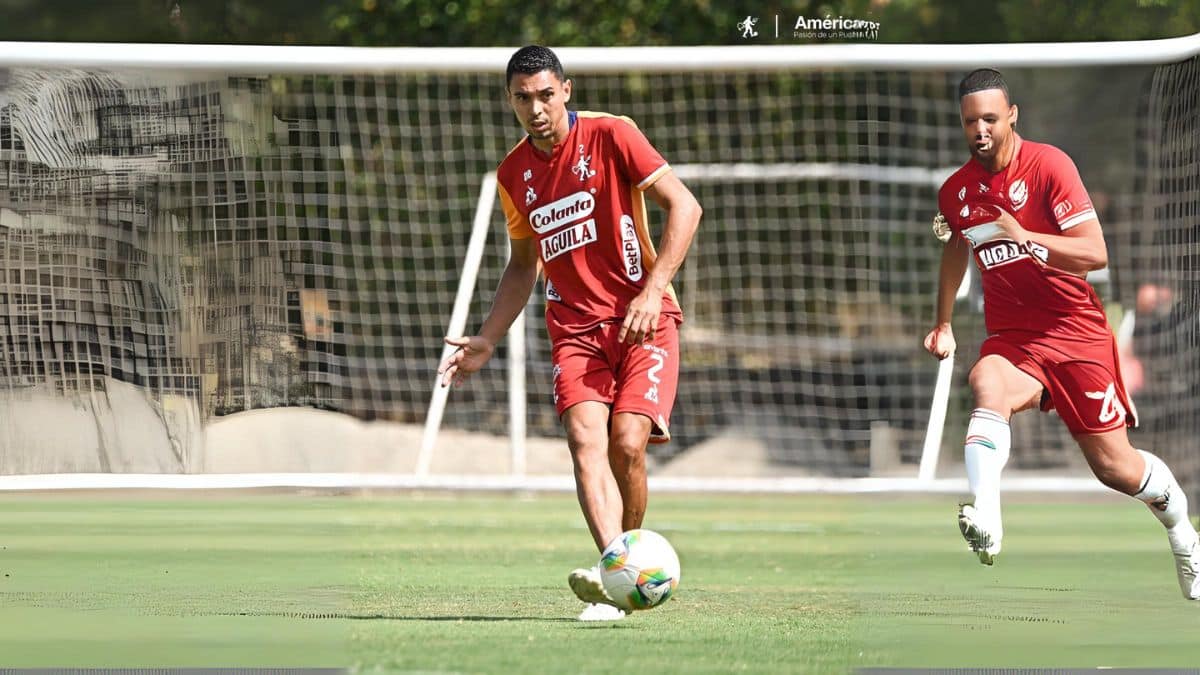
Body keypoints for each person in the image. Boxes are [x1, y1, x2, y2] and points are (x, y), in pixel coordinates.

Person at [437, 45, 702, 620]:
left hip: (644, 320)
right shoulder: (513, 175)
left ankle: (625, 567)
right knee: (586, 443)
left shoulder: (613, 135)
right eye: (522, 98)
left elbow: (686, 206)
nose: (535, 108)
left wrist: (653, 291)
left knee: (628, 445)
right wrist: (488, 335)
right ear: (510, 101)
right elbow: (521, 266)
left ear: (567, 90)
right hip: (574, 331)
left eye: (545, 94)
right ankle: (618, 578)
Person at [924, 68, 1200, 599]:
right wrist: (942, 323)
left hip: (1076, 335)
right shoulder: (956, 191)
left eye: (988, 118)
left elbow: (1095, 253)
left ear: (1011, 116)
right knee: (988, 381)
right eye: (968, 121)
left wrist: (1024, 237)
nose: (979, 129)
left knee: (1116, 469)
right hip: (1015, 338)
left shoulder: (1050, 166)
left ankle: (1184, 533)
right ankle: (987, 514)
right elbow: (956, 245)